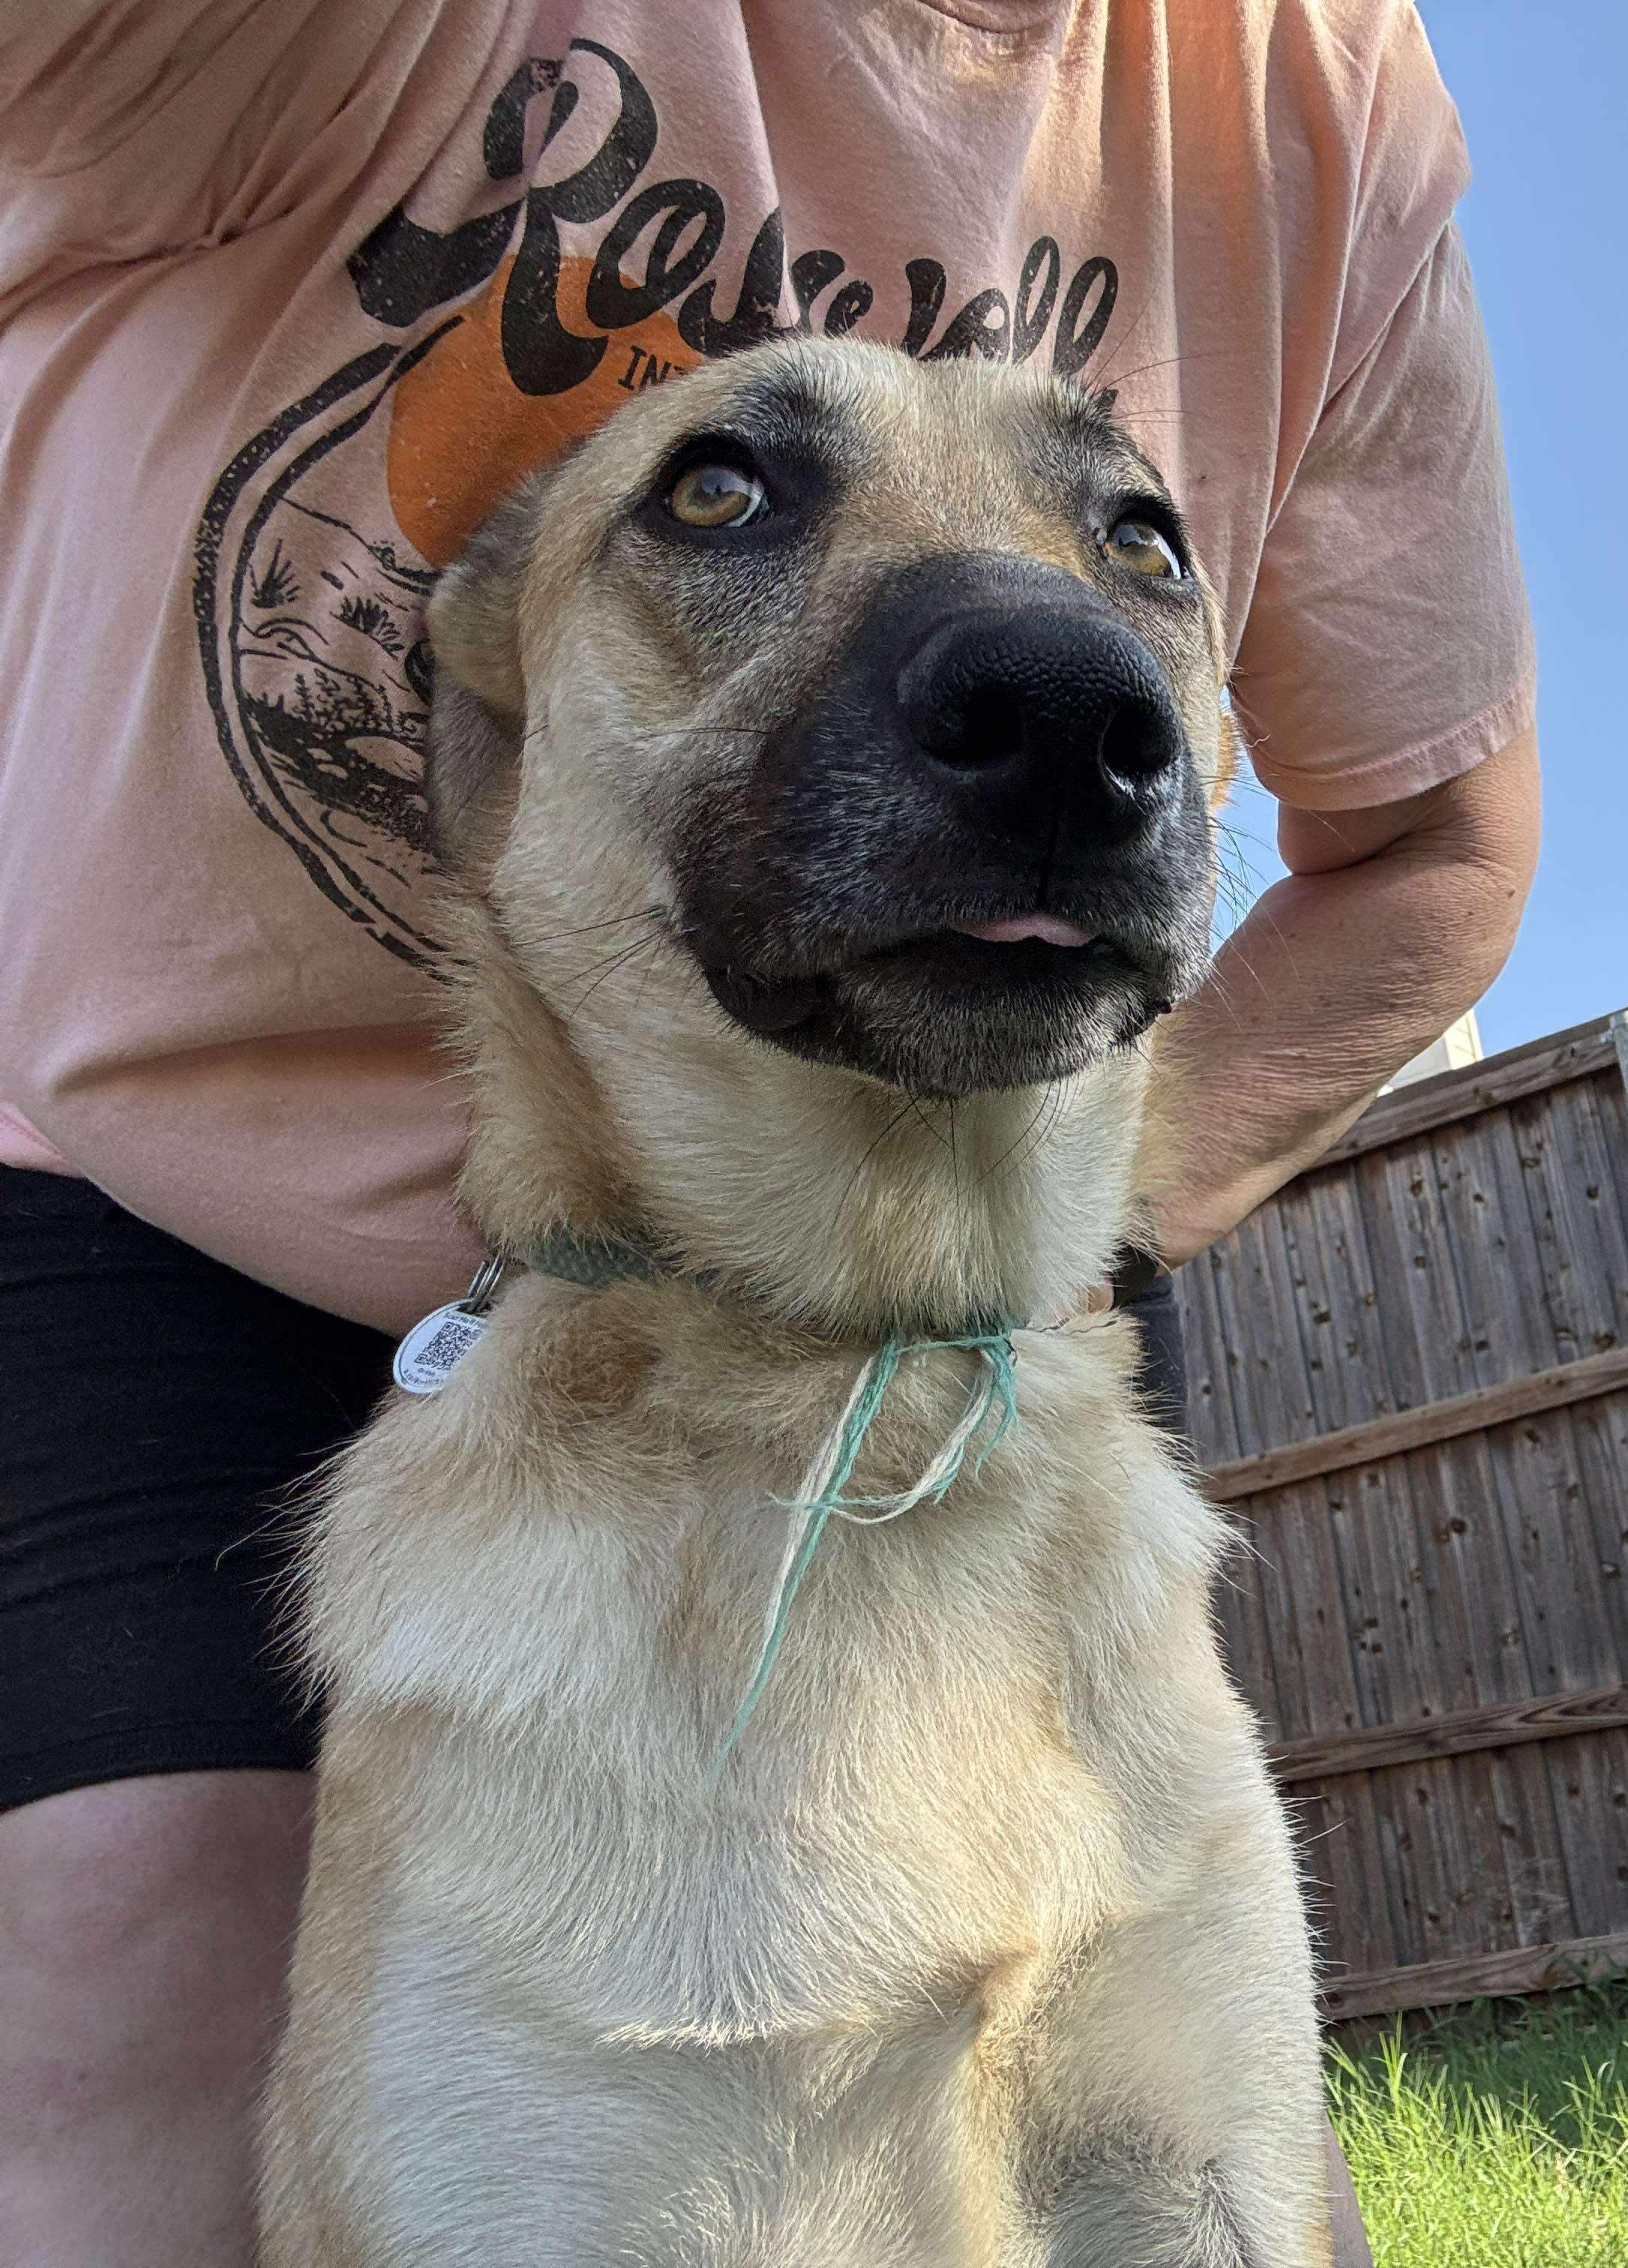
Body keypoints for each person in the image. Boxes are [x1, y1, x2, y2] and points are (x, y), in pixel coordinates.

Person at [0, 3, 1539, 2260]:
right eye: (732, 496)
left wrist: (1058, 1251)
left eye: (1129, 544)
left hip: (980, 1306)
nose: (1054, 663)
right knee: (129, 1952)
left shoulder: (1315, 81)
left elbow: (1436, 843)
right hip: (164, 1189)